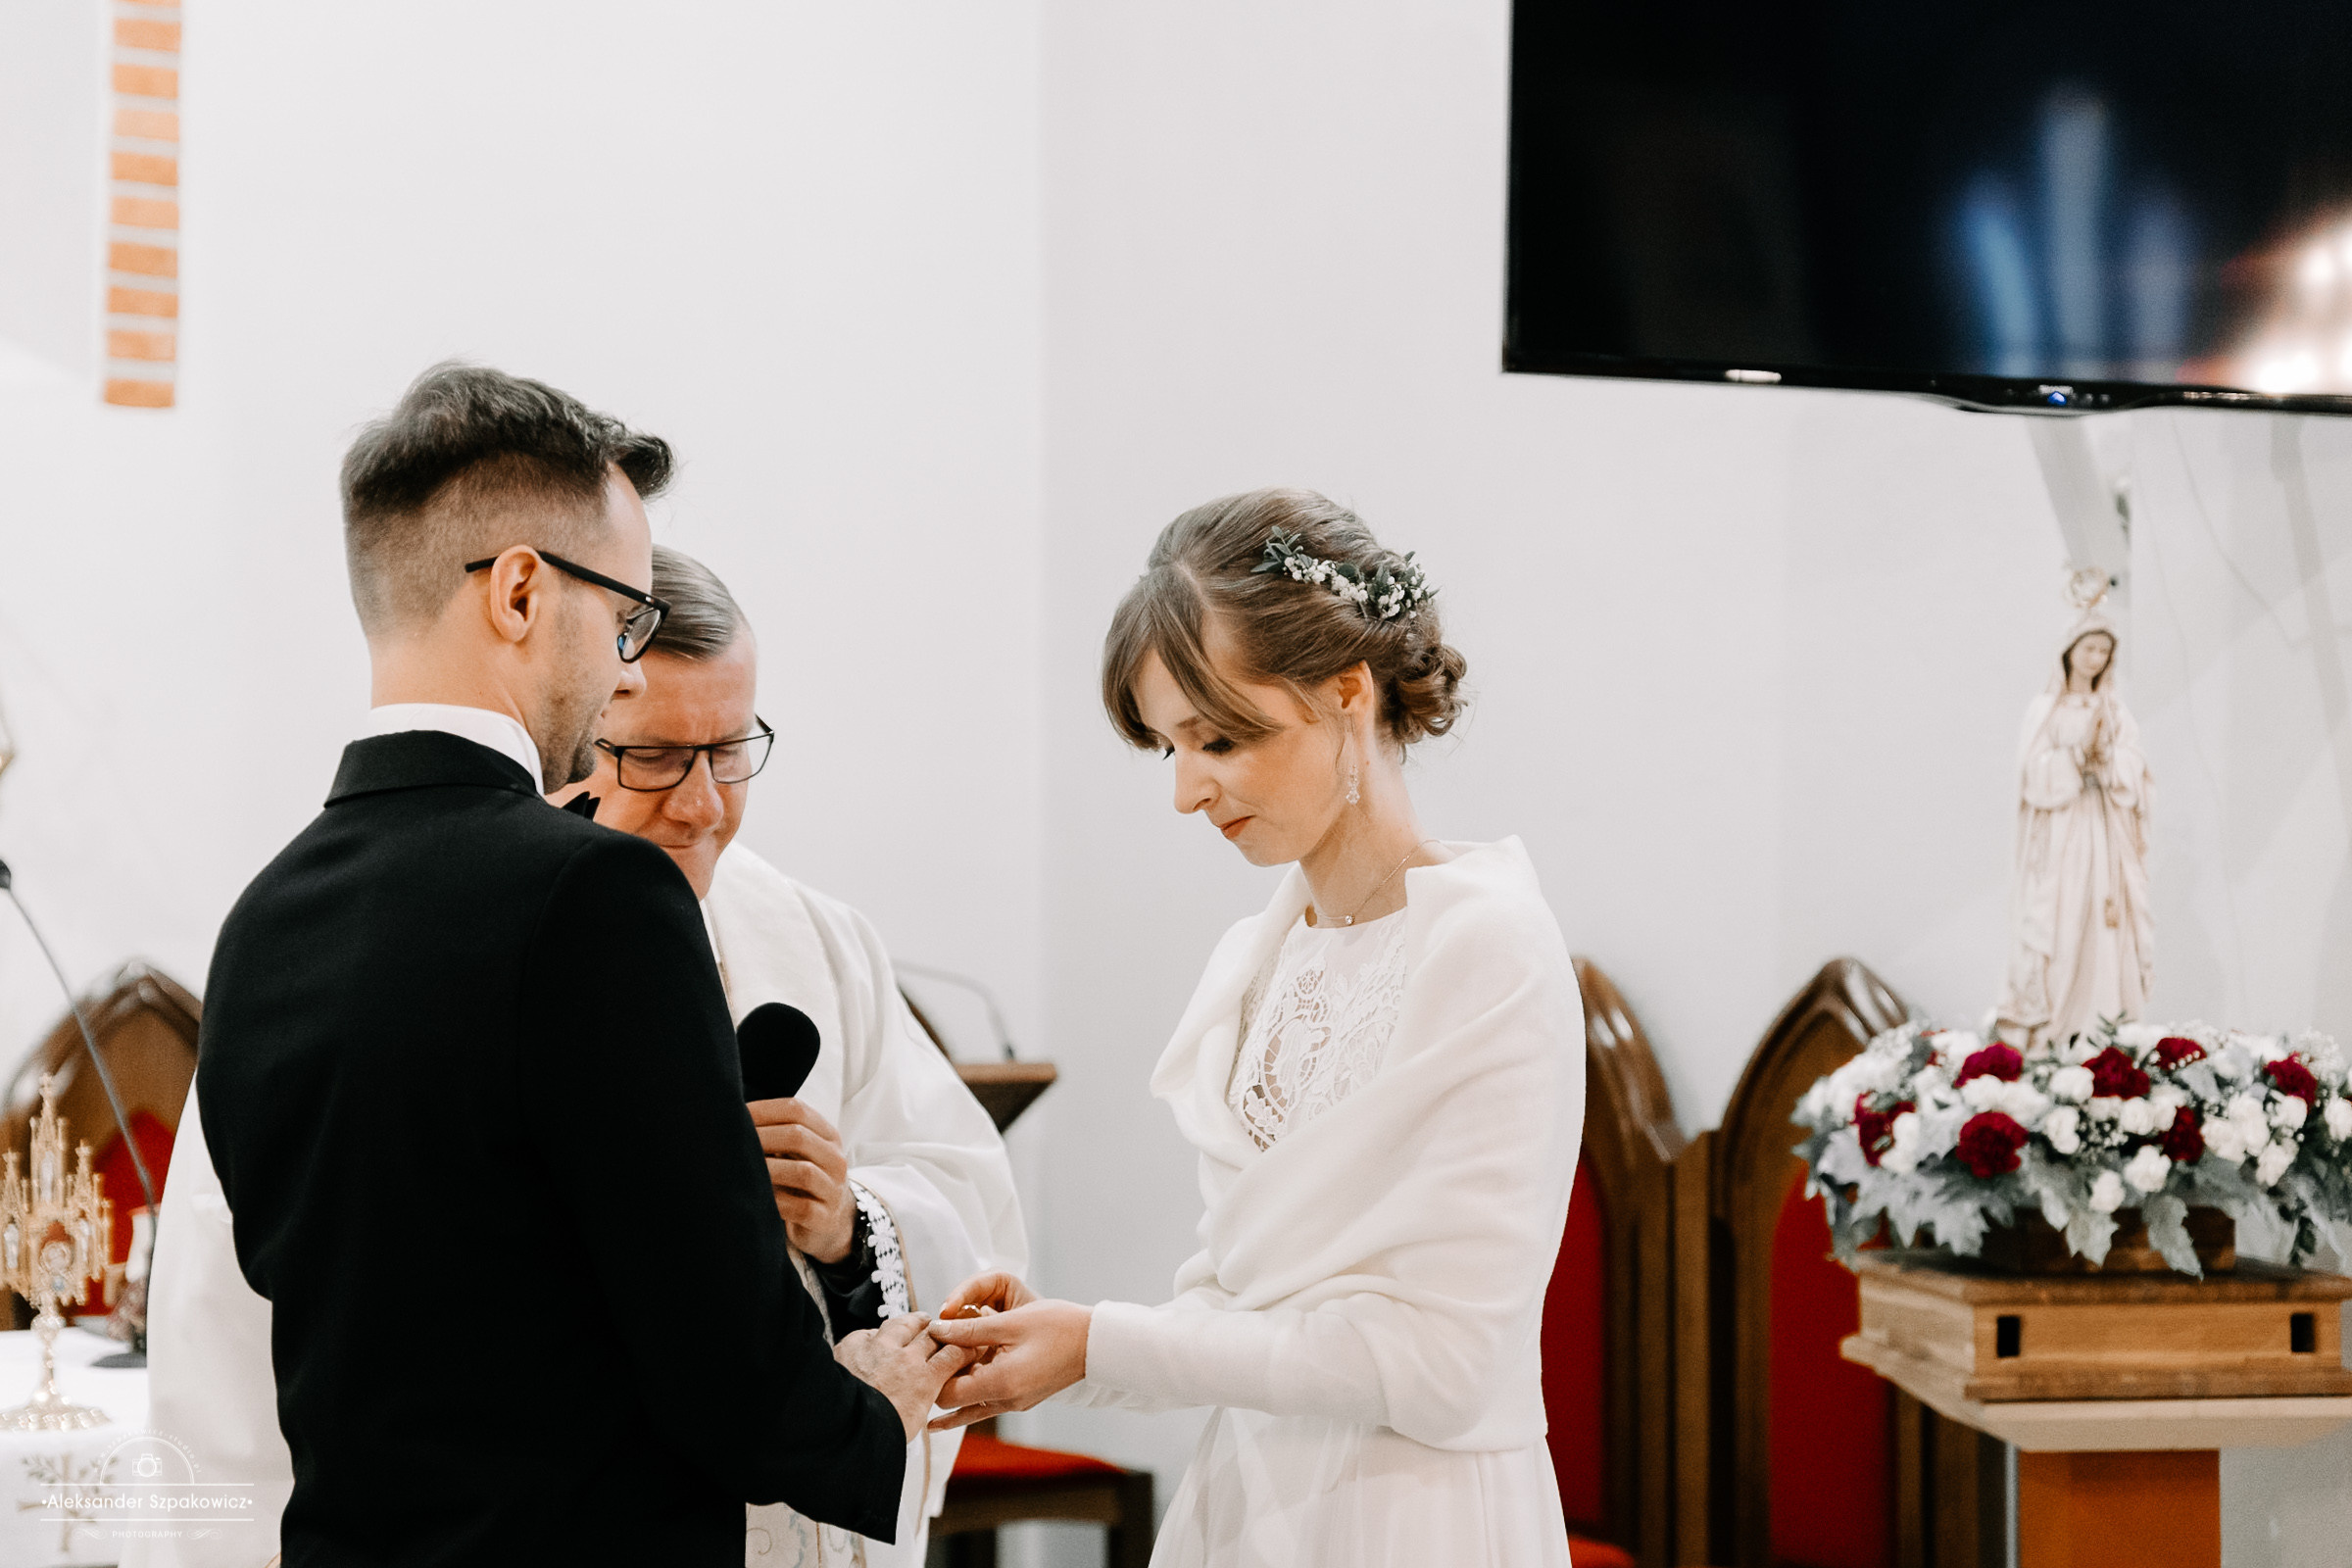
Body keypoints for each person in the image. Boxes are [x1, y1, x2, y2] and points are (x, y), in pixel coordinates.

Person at [187, 364, 957, 1567]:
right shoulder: (592, 894)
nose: (616, 670)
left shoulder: (262, 921)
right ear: (519, 592)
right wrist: (866, 1411)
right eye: (623, 620)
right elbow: (716, 1349)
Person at [926, 489, 1586, 1567]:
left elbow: (1442, 1364)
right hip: (1251, 1496)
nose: (1189, 790)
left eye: (1223, 738)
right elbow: (1235, 1308)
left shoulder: (1486, 945)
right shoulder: (1256, 957)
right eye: (1169, 746)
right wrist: (1063, 1343)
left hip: (1415, 1514)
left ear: (1346, 693)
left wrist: (1103, 1341)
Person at [562, 545, 1028, 1566]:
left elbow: (975, 1211)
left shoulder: (814, 938)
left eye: (729, 750)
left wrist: (850, 1221)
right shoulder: (494, 935)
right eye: (651, 755)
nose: (702, 803)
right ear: (570, 743)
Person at [1995, 587, 2154, 1049]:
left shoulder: (2116, 712)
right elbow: (2032, 777)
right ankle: (2052, 1028)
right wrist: (2074, 758)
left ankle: (2101, 1025)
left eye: (2104, 650)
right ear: (2069, 652)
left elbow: (2136, 770)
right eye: (2089, 648)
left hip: (2102, 831)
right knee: (2059, 923)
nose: (2096, 658)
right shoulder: (2047, 710)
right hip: (2061, 835)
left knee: (2105, 924)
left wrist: (2107, 761)